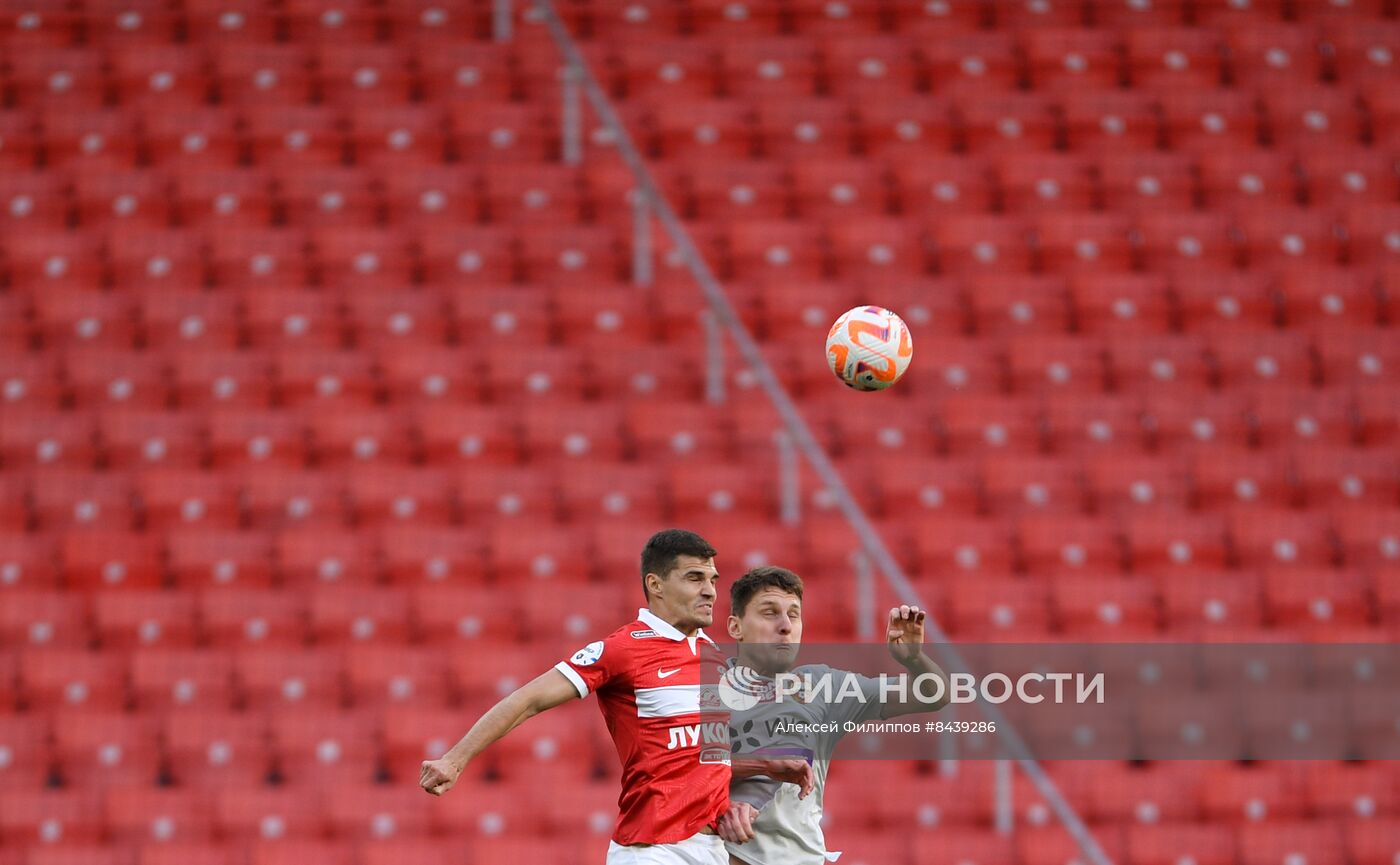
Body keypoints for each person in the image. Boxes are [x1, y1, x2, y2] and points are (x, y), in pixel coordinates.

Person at [418, 529, 809, 865]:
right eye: (694, 578)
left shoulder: (713, 657)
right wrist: (455, 759)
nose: (709, 591)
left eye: (712, 579)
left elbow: (696, 755)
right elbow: (529, 699)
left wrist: (763, 766)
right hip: (653, 849)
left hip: (710, 849)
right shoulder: (623, 649)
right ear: (656, 584)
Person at [716, 565, 949, 865]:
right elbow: (673, 771)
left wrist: (915, 660)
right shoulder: (703, 690)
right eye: (769, 612)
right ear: (736, 627)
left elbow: (935, 694)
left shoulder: (822, 686)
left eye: (794, 614)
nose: (785, 625)